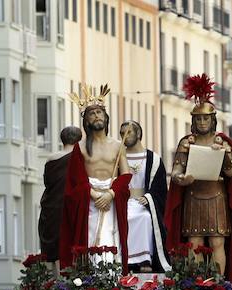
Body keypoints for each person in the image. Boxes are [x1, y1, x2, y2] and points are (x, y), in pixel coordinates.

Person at [164, 73, 232, 281]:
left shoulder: (223, 141)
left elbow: (231, 173)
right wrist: (181, 179)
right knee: (194, 242)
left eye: (205, 118)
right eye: (198, 118)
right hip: (193, 195)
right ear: (193, 121)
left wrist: (223, 153)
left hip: (217, 196)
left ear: (213, 120)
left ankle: (219, 282)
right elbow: (175, 171)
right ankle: (197, 283)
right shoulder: (187, 142)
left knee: (217, 242)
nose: (202, 122)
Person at [59, 83, 132, 270]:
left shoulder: (117, 145)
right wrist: (93, 194)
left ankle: (112, 277)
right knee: (90, 237)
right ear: (86, 121)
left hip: (111, 199)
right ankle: (91, 278)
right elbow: (76, 179)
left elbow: (125, 175)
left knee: (111, 234)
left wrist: (111, 194)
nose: (97, 116)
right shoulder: (80, 147)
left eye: (100, 112)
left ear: (106, 118)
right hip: (89, 201)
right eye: (92, 113)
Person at [119, 120, 170, 272]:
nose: (124, 136)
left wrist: (148, 198)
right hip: (124, 202)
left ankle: (144, 261)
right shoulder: (119, 158)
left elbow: (160, 189)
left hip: (144, 204)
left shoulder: (153, 159)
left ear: (138, 134)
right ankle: (125, 260)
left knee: (145, 218)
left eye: (128, 132)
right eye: (122, 133)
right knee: (122, 218)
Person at [39, 126, 83, 263]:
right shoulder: (81, 158)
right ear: (80, 140)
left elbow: (47, 182)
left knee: (55, 256)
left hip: (52, 208)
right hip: (71, 208)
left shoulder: (51, 159)